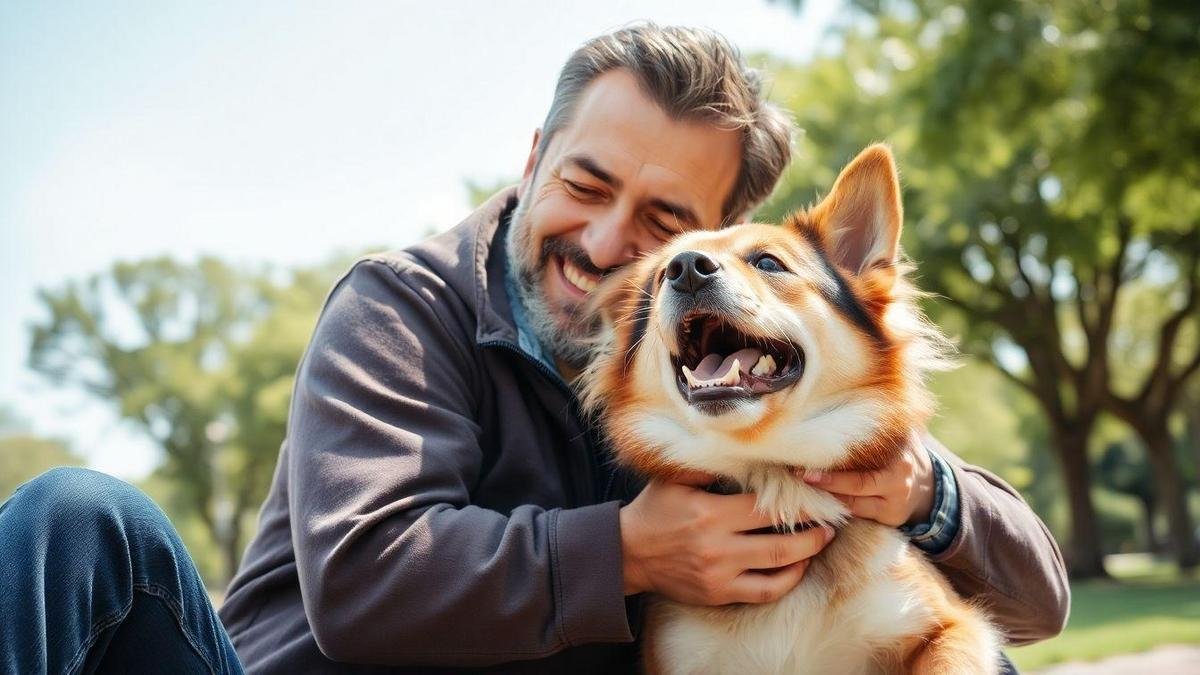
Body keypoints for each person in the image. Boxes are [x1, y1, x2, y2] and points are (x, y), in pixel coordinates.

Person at [0, 24, 1068, 674]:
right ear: (534, 158)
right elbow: (362, 579)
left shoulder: (727, 386)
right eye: (584, 185)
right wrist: (630, 551)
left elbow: (1031, 603)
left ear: (718, 245)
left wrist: (922, 491)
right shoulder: (399, 307)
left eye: (663, 223)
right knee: (77, 520)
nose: (602, 244)